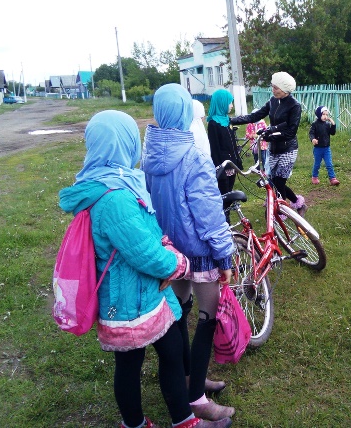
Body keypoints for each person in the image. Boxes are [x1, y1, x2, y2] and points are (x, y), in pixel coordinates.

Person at [58, 110, 230, 428]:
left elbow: (148, 232)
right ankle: (143, 423)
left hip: (142, 293)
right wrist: (179, 263)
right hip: (129, 302)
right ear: (121, 143)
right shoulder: (114, 198)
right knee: (131, 364)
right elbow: (144, 253)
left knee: (166, 352)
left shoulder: (115, 181)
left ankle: (180, 419)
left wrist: (165, 244)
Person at [142, 83, 236, 422]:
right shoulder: (194, 157)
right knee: (206, 319)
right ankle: (196, 396)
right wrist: (224, 257)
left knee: (180, 314)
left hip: (170, 252)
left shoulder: (147, 155)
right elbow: (209, 215)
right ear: (186, 112)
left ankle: (187, 379)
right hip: (199, 252)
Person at [230, 71, 307, 215]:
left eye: (276, 88)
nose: (273, 90)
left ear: (284, 89)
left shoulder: (294, 106)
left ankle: (280, 213)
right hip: (274, 148)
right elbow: (255, 116)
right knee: (272, 181)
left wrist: (268, 136)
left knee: (279, 182)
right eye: (272, 87)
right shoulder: (272, 101)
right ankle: (298, 202)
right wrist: (232, 120)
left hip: (288, 149)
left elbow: (291, 132)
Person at [207, 89, 243, 199]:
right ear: (221, 103)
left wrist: (237, 160)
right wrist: (219, 169)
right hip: (223, 166)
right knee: (224, 193)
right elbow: (214, 149)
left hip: (231, 164)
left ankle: (227, 208)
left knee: (230, 192)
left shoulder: (227, 120)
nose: (232, 106)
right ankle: (224, 210)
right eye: (229, 103)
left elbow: (233, 143)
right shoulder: (213, 124)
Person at [309, 105, 340, 186]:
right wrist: (313, 139)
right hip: (318, 149)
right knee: (317, 164)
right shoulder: (315, 124)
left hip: (326, 148)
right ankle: (314, 177)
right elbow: (311, 133)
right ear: (319, 114)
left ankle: (333, 178)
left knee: (329, 164)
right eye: (323, 114)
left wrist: (333, 124)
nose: (325, 116)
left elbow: (332, 133)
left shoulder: (327, 124)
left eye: (327, 114)